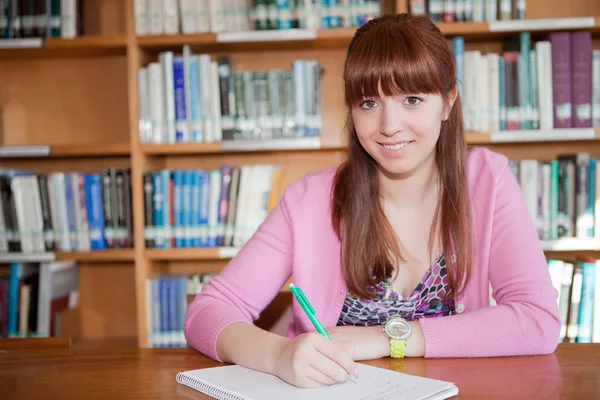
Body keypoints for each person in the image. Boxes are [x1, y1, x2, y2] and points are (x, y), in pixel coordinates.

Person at [184, 12, 560, 389]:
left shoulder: (487, 180)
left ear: (448, 102)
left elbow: (537, 320)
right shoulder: (310, 199)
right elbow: (207, 313)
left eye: (412, 99)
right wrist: (279, 354)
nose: (389, 125)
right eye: (368, 103)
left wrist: (388, 336)